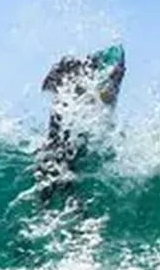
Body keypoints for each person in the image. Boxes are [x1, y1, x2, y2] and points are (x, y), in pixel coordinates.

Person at [36, 45, 126, 200]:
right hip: (57, 154)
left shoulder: (88, 95)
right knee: (57, 189)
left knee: (64, 193)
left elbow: (118, 54)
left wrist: (105, 69)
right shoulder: (67, 102)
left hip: (71, 153)